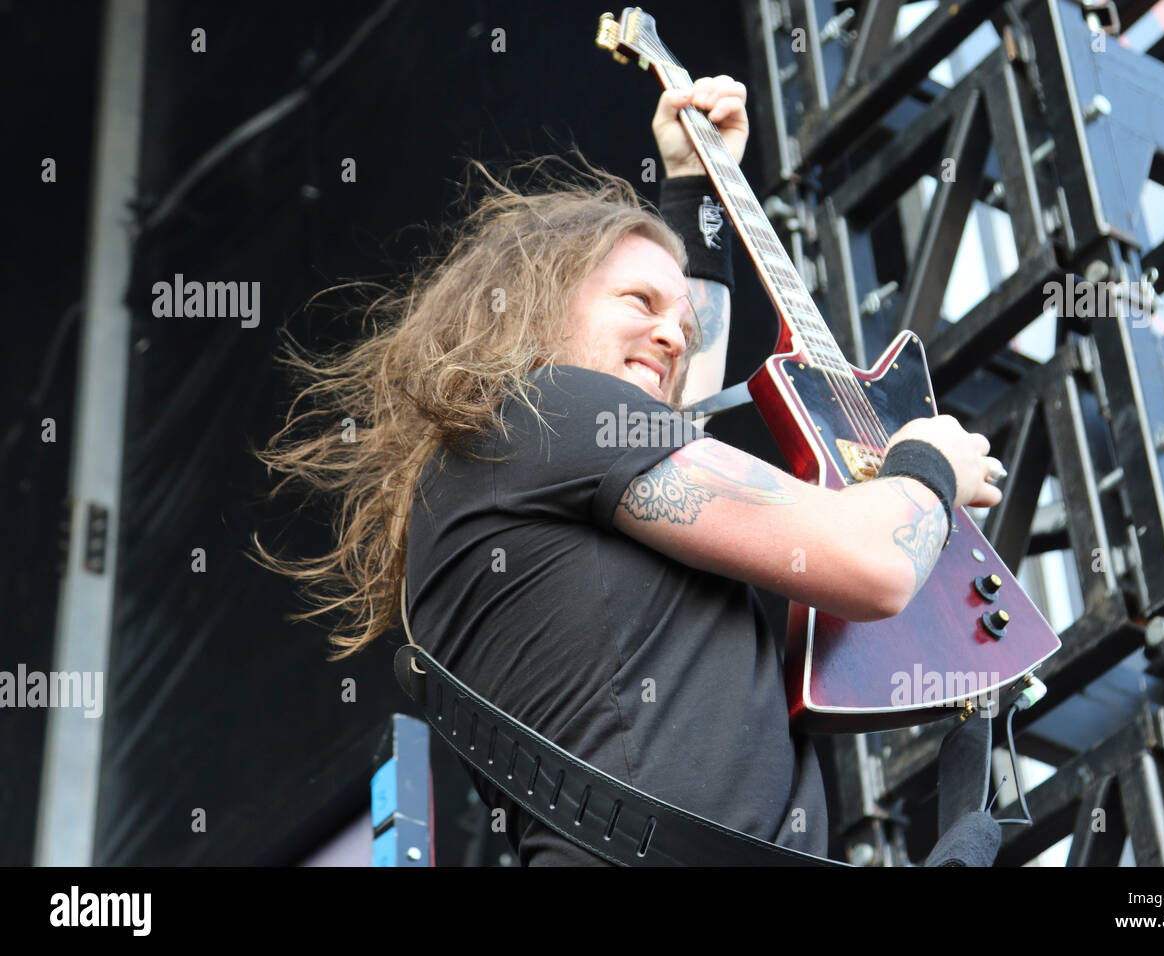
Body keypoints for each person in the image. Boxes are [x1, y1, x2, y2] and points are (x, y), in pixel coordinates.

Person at [253, 75, 1003, 866]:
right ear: (535, 307)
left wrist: (693, 193)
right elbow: (875, 564)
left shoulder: (532, 464)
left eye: (679, 319)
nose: (673, 335)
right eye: (639, 302)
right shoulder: (548, 408)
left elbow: (682, 411)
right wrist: (928, 467)